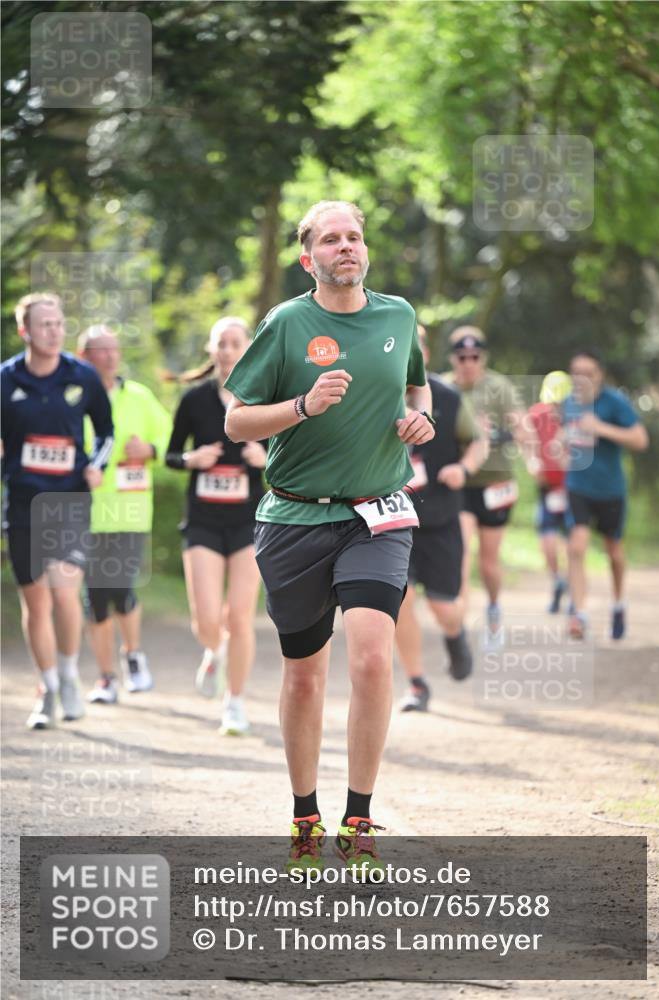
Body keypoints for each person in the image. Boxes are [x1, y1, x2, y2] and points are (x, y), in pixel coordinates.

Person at [224, 200, 434, 874]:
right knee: (306, 676)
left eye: (354, 236)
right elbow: (236, 423)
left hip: (376, 512)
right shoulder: (286, 324)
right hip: (291, 518)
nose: (346, 247)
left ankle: (359, 820)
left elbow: (415, 389)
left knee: (372, 657)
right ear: (305, 256)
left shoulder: (398, 316)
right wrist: (303, 407)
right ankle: (304, 816)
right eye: (330, 239)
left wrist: (416, 421)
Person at [1, 293, 113, 729]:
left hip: (69, 499)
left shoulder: (82, 376)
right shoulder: (6, 379)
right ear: (25, 331)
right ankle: (46, 686)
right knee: (36, 602)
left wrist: (97, 467)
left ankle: (68, 674)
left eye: (59, 323)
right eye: (44, 324)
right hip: (24, 500)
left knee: (64, 592)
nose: (53, 330)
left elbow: (105, 431)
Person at [165, 317, 266, 735]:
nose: (226, 350)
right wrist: (191, 460)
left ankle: (235, 703)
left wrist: (266, 459)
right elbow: (171, 455)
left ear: (247, 349)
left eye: (234, 342)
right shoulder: (194, 401)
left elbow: (291, 454)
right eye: (220, 343)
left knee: (240, 616)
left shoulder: (264, 396)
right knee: (206, 618)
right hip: (203, 520)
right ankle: (214, 650)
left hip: (249, 521)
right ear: (211, 350)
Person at [395, 325, 487, 712]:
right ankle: (417, 684)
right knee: (399, 599)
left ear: (425, 355)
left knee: (444, 607)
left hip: (440, 518)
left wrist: (463, 470)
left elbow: (479, 443)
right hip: (392, 520)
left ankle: (455, 634)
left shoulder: (447, 397)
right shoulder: (370, 395)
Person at [78, 325, 172, 702]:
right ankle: (105, 678)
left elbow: (169, 440)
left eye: (114, 349)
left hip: (129, 511)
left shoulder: (139, 396)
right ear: (84, 356)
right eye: (101, 350)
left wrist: (149, 450)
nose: (111, 356)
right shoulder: (74, 398)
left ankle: (132, 655)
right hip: (84, 512)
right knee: (95, 596)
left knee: (119, 586)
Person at [443, 327, 523, 648]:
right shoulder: (442, 387)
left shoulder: (499, 387)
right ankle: (459, 627)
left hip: (494, 483)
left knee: (488, 561)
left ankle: (492, 608)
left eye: (475, 357)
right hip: (459, 483)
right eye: (462, 357)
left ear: (483, 358)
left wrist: (496, 436)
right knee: (460, 553)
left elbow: (523, 427)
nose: (468, 363)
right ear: (453, 358)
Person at [562, 349, 648, 640]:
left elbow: (640, 439)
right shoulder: (567, 404)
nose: (582, 379)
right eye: (577, 372)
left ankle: (619, 603)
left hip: (610, 489)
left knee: (614, 552)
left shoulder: (615, 402)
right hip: (578, 486)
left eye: (588, 373)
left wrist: (603, 428)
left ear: (599, 375)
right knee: (576, 546)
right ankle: (580, 613)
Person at [525, 371, 572, 614]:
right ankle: (558, 583)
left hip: (572, 489)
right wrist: (531, 460)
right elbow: (526, 441)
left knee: (572, 543)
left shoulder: (573, 416)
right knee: (548, 542)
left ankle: (574, 593)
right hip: (547, 488)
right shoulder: (537, 414)